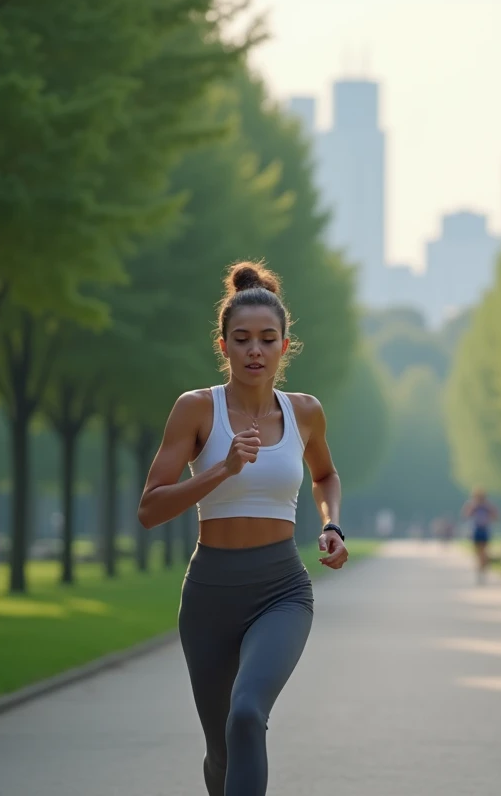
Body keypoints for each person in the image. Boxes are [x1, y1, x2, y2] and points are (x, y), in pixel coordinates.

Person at [136, 261, 348, 796]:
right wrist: (222, 469)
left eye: (267, 339)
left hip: (281, 589)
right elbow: (150, 508)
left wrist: (332, 525)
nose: (255, 349)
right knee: (222, 750)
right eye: (243, 339)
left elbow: (324, 475)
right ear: (224, 345)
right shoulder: (196, 410)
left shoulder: (305, 413)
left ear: (284, 345)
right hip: (210, 593)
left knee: (248, 713)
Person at [462, 488, 498, 584]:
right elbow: (495, 516)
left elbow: (466, 515)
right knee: (480, 552)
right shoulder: (482, 505)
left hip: (481, 530)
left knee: (481, 552)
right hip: (480, 530)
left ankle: (482, 568)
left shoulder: (484, 506)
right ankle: (482, 568)